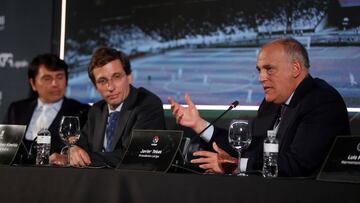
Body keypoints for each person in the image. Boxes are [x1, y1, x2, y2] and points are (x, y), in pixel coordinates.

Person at [168, 38, 351, 177]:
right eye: (259, 70)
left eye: (269, 69)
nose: (261, 78)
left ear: (295, 68)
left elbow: (299, 164)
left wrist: (237, 165)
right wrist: (199, 124)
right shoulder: (271, 104)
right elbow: (248, 148)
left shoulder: (322, 101)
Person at [69, 47, 165, 167]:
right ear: (95, 87)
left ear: (129, 77)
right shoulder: (96, 110)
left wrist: (87, 158)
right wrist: (72, 151)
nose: (110, 87)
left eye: (116, 77)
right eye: (102, 81)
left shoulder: (148, 104)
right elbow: (80, 146)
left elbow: (134, 155)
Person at [3, 54, 89, 165]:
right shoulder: (17, 109)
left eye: (59, 77)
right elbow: (4, 150)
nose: (55, 84)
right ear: (33, 83)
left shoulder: (81, 112)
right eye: (47, 78)